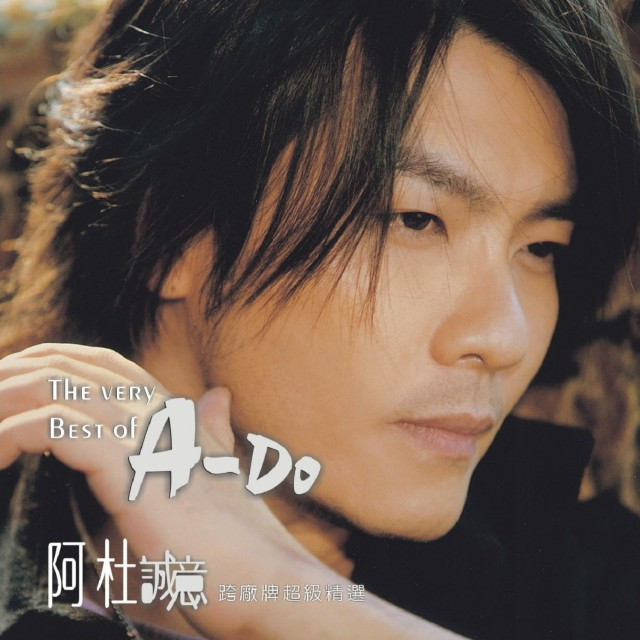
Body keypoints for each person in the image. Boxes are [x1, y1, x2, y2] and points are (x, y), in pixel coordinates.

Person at [0, 0, 639, 638]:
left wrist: (279, 595)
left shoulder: (599, 586)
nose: (505, 338)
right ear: (169, 234)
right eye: (416, 220)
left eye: (541, 247)